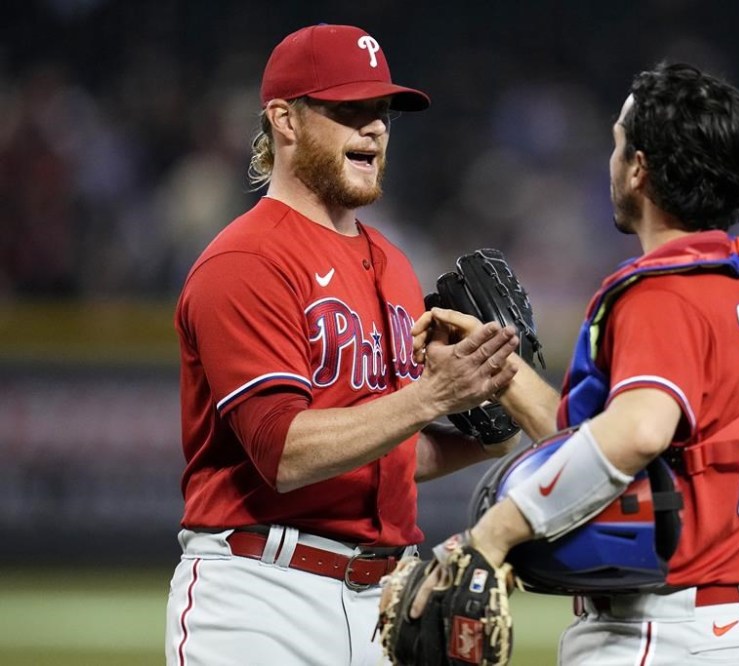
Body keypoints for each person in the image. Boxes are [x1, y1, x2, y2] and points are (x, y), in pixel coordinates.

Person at [164, 24, 523, 666]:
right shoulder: (246, 260)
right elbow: (283, 452)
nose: (375, 128)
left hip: (387, 598)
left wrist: (491, 434)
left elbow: (384, 455)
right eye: (348, 110)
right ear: (285, 120)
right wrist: (434, 394)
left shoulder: (394, 266)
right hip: (261, 595)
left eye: (381, 112)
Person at [413, 61, 739, 665]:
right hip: (723, 626)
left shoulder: (665, 291)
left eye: (617, 144)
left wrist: (493, 535)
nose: (610, 161)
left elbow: (637, 432)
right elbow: (603, 452)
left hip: (656, 630)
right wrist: (498, 371)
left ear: (638, 169)